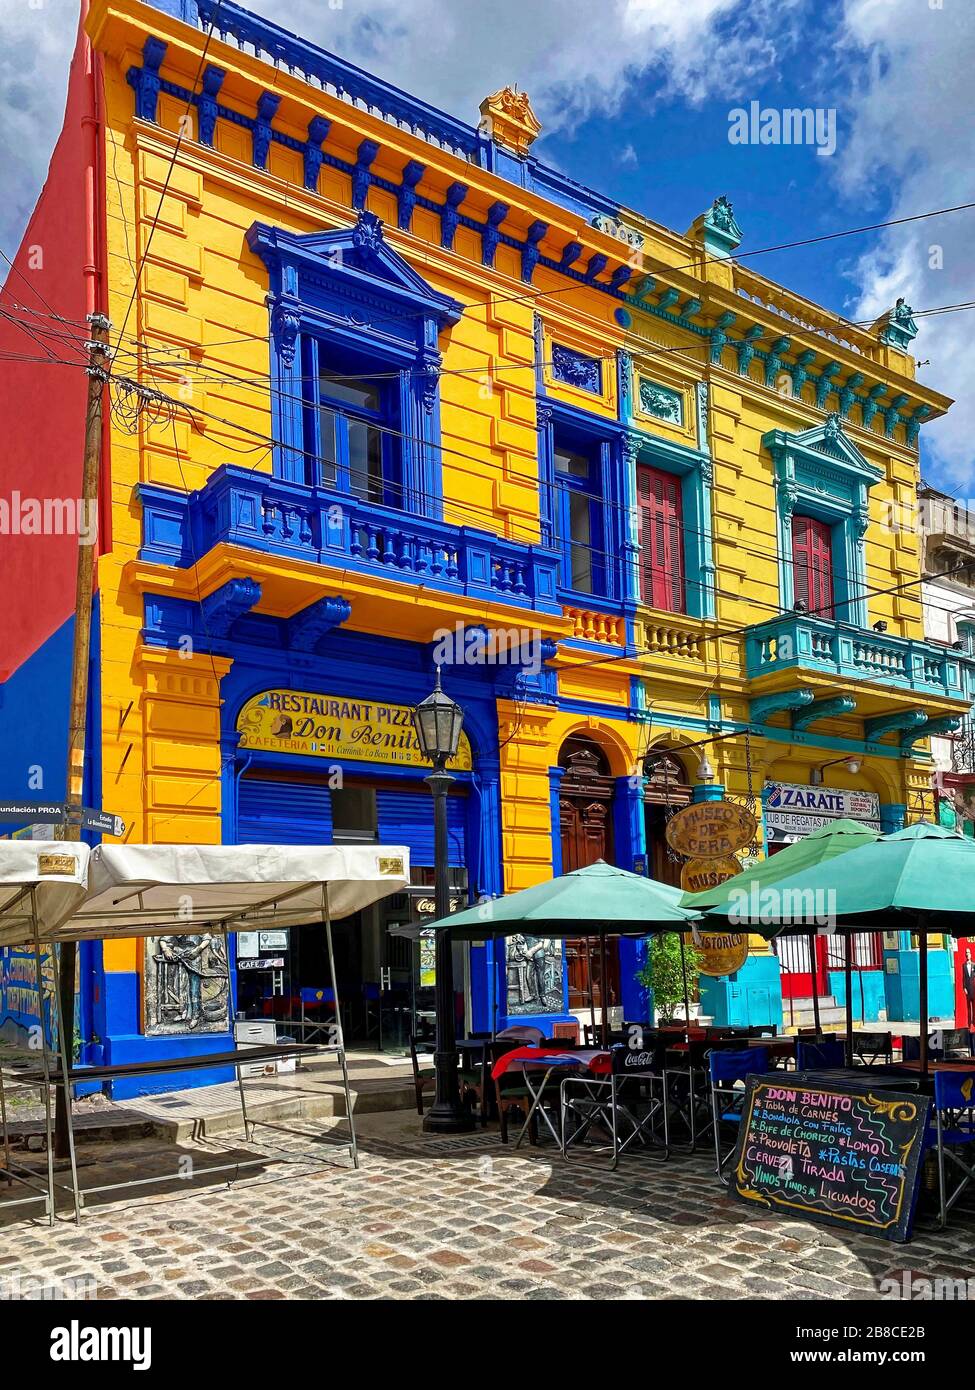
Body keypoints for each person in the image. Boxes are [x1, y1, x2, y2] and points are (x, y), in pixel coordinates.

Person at [963, 948, 975, 1030]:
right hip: (967, 989)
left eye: (968, 953)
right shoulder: (963, 965)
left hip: (974, 988)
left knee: (974, 1007)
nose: (967, 954)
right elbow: (963, 977)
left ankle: (974, 1022)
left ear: (971, 954)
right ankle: (968, 1023)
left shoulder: (974, 965)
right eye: (966, 953)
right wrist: (964, 987)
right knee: (968, 1007)